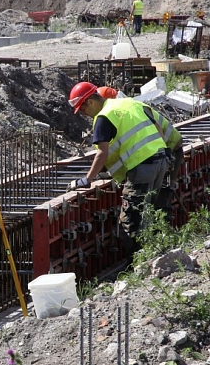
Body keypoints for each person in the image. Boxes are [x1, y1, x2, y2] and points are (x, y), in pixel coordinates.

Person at [66, 81, 181, 259]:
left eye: (83, 109)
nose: (84, 114)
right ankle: (157, 252)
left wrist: (87, 179)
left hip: (142, 167)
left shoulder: (103, 117)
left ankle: (137, 265)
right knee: (149, 210)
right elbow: (158, 128)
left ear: (91, 102)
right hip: (161, 161)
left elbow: (101, 153)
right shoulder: (128, 102)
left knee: (130, 221)